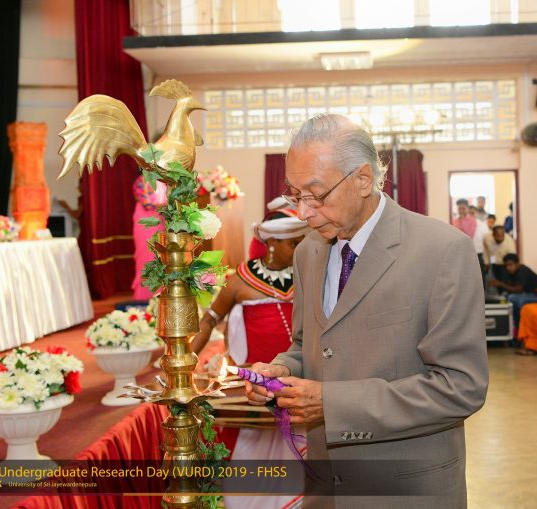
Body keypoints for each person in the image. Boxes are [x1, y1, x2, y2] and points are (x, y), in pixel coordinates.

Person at [246, 114, 488, 508]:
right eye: (295, 194)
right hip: (326, 484)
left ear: (362, 179)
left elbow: (461, 387)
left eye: (316, 195)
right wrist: (281, 371)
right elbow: (308, 344)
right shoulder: (308, 252)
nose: (304, 212)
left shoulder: (442, 251)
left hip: (405, 488)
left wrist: (331, 404)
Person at [191, 204, 309, 509]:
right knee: (249, 453)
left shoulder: (308, 275)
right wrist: (184, 362)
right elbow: (208, 321)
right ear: (272, 243)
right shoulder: (239, 281)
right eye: (294, 244)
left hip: (297, 383)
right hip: (252, 390)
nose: (300, 249)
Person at [131, 175, 167, 300]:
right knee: (147, 257)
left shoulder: (163, 182)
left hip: (160, 222)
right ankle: (144, 298)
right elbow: (147, 203)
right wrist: (170, 205)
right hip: (146, 222)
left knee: (160, 259)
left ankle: (159, 296)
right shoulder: (142, 180)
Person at [489, 253, 537, 330]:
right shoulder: (510, 272)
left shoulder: (522, 270)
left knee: (512, 298)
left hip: (535, 295)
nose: (508, 268)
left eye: (510, 265)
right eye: (506, 266)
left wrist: (500, 284)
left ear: (517, 264)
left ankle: (517, 326)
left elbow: (518, 290)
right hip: (523, 294)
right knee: (504, 296)